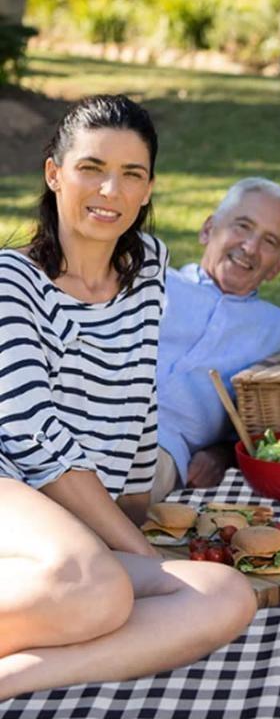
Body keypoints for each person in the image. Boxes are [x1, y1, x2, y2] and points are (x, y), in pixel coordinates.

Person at [0, 95, 256, 699]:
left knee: (223, 594)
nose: (110, 190)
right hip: (11, 490)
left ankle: (12, 678)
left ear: (148, 190)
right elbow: (34, 435)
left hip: (76, 533)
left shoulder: (148, 272)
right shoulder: (12, 280)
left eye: (131, 174)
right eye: (91, 167)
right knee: (99, 588)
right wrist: (135, 547)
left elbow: (138, 400)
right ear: (53, 172)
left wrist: (137, 510)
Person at [153, 178, 280, 499]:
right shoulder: (153, 282)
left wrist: (222, 454)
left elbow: (258, 418)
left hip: (158, 448)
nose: (250, 247)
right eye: (242, 226)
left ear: (277, 268)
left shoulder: (277, 329)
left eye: (270, 241)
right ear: (208, 230)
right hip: (90, 415)